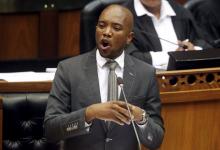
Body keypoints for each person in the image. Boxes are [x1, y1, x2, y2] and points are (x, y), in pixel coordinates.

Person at [44, 4, 164, 150]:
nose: (106, 32)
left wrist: (141, 117)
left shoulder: (145, 74)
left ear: (129, 38)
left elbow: (156, 140)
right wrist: (90, 113)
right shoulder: (68, 69)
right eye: (102, 26)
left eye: (116, 28)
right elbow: (51, 130)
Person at [123, 0, 211, 70]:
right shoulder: (123, 16)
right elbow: (128, 57)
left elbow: (203, 43)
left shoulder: (180, 11)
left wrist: (193, 50)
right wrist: (174, 57)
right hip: (147, 83)